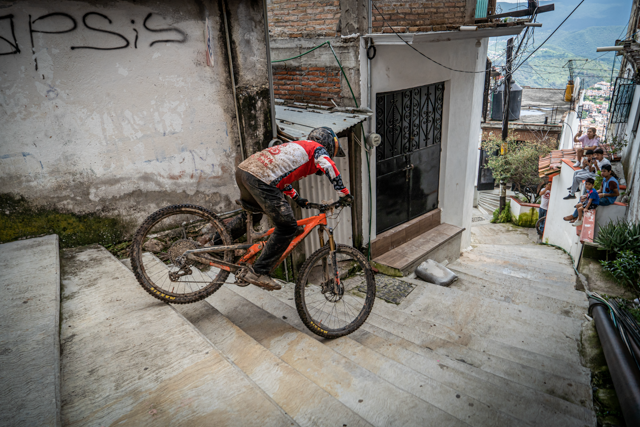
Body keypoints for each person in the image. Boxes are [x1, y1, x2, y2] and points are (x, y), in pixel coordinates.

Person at [215, 127, 353, 291]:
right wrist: (344, 194)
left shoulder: (297, 148)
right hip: (261, 178)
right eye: (332, 153)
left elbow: (281, 179)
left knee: (253, 215)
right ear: (328, 144)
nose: (330, 156)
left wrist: (297, 198)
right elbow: (329, 165)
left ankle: (216, 244)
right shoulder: (317, 149)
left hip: (245, 171)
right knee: (287, 226)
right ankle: (258, 272)